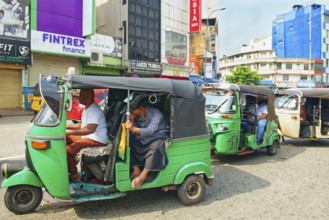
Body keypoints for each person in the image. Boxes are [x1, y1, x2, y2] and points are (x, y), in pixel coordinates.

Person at [66, 88, 108, 182]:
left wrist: (70, 132)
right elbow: (82, 124)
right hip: (89, 137)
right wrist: (67, 128)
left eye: (81, 96)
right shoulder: (88, 108)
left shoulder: (94, 110)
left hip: (97, 141)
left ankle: (74, 175)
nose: (79, 98)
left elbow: (90, 129)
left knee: (67, 151)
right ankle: (69, 164)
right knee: (64, 138)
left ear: (88, 97)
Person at [126, 101, 169, 190]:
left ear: (141, 108)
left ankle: (143, 176)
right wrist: (132, 121)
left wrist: (132, 128)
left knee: (156, 147)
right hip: (145, 138)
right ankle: (136, 170)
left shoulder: (156, 114)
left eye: (135, 113)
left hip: (158, 136)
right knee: (130, 141)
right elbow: (135, 132)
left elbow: (150, 131)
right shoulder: (138, 116)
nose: (135, 115)